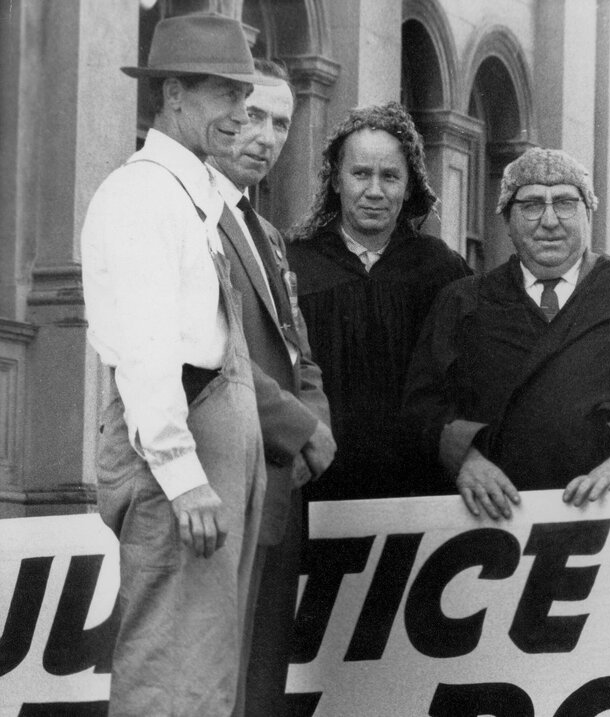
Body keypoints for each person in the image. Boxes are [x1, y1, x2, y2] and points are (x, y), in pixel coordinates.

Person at [80, 13, 279, 716]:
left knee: (206, 670)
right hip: (181, 450)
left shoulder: (192, 195)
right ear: (172, 94)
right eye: (223, 94)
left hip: (215, 442)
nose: (239, 115)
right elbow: (144, 346)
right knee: (171, 673)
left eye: (245, 98)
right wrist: (182, 474)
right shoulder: (142, 195)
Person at [402, 147, 610, 520]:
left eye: (566, 203)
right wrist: (465, 460)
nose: (549, 220)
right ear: (507, 218)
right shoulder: (463, 302)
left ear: (589, 213)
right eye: (532, 205)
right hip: (496, 524)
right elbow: (422, 407)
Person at [206, 59, 336, 715]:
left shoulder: (266, 234)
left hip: (277, 487)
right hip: (215, 487)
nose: (266, 135)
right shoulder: (188, 214)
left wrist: (318, 422)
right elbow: (207, 350)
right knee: (209, 683)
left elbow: (298, 352)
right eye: (253, 115)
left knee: (260, 688)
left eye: (281, 122)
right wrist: (299, 425)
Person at [287, 102, 471, 500]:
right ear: (336, 181)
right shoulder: (293, 264)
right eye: (360, 174)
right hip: (316, 489)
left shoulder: (441, 270)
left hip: (417, 489)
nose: (374, 190)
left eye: (390, 176)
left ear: (409, 186)